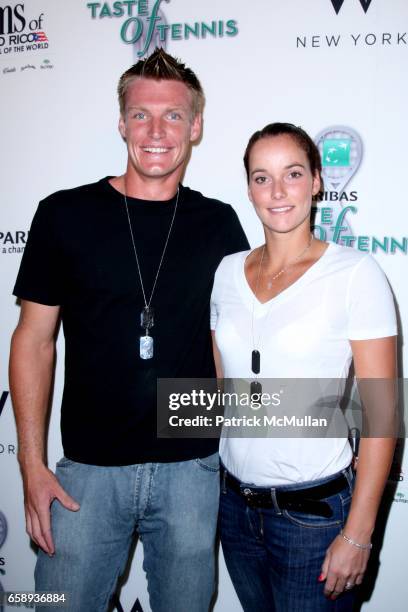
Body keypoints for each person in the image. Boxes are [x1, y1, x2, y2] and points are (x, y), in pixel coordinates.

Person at [9, 48, 249, 612]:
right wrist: (31, 465)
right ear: (122, 123)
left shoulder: (218, 223)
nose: (157, 130)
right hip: (86, 475)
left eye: (173, 115)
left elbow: (231, 347)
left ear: (196, 127)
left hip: (192, 470)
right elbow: (33, 341)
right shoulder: (64, 214)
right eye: (142, 114)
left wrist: (339, 423)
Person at [211, 123, 397, 611]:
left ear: (316, 181)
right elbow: (223, 390)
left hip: (314, 518)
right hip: (235, 509)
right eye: (261, 177)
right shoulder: (227, 272)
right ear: (248, 187)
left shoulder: (356, 274)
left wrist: (358, 534)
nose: (276, 192)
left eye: (292, 174)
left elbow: (381, 416)